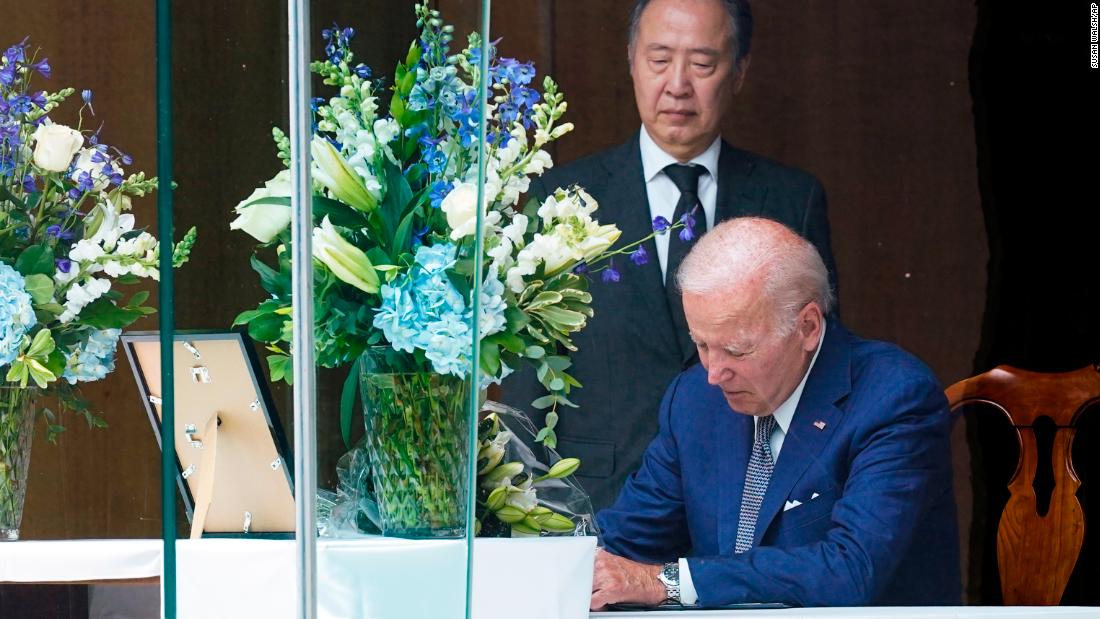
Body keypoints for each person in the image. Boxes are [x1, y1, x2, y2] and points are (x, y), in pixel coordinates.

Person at [506, 0, 838, 512]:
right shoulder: (560, 196)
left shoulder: (791, 199)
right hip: (598, 499)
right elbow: (527, 370)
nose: (678, 84)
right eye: (660, 60)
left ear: (739, 71)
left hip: (748, 499)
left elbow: (819, 363)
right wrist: (534, 505)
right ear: (632, 61)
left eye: (702, 64)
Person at [589, 217, 960, 609]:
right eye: (701, 344)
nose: (714, 373)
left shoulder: (893, 398)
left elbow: (850, 570)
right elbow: (626, 539)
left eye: (736, 350)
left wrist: (669, 582)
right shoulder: (694, 399)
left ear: (808, 327)